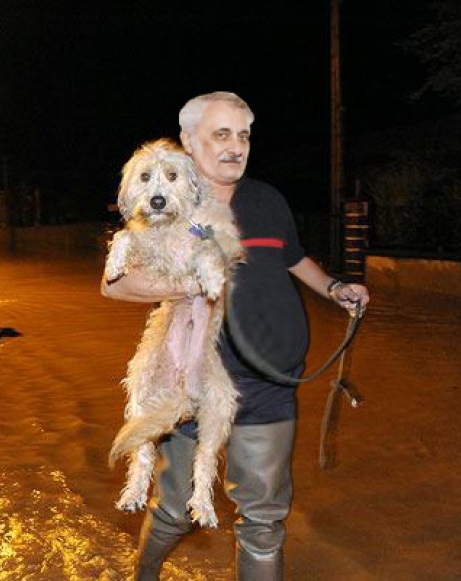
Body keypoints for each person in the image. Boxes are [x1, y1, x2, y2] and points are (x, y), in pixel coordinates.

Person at [101, 91, 370, 580]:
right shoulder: (167, 199)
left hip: (274, 383)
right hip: (193, 381)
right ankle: (142, 575)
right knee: (175, 508)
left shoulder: (268, 199)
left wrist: (334, 288)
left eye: (243, 135)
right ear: (189, 141)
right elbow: (114, 285)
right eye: (221, 134)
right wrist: (193, 281)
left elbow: (292, 257)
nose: (235, 146)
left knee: (264, 522)